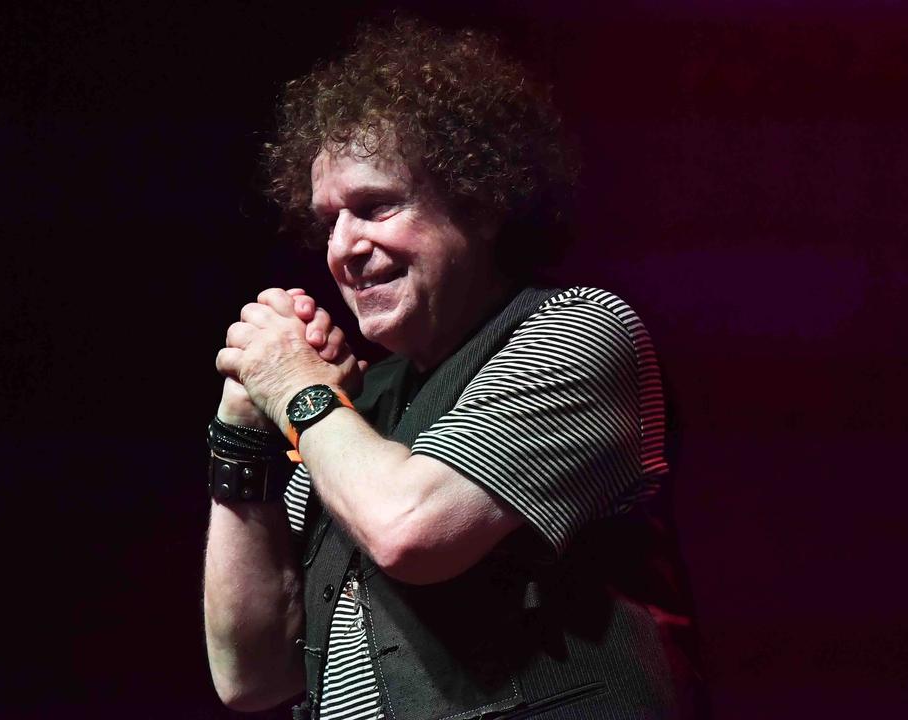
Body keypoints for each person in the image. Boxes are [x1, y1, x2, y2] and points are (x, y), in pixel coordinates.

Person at [204, 17, 704, 719]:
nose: (343, 249)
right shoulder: (354, 410)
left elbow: (410, 529)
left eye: (375, 207)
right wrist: (243, 429)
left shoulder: (581, 330)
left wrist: (293, 383)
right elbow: (246, 674)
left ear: (479, 199)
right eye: (327, 222)